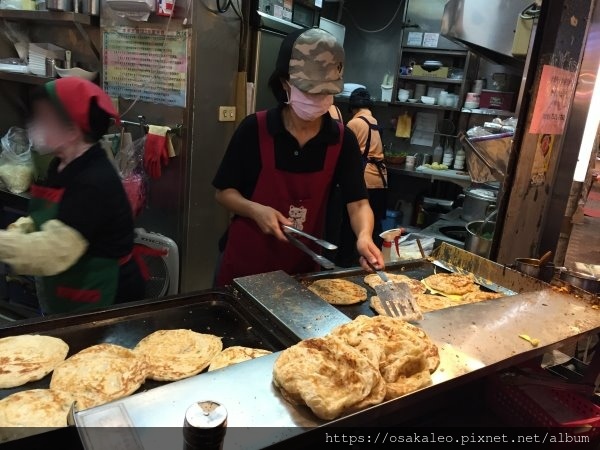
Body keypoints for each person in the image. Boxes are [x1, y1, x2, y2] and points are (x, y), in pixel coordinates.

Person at [213, 28, 384, 286]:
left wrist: (364, 236)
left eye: (325, 92)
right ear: (285, 84)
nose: (317, 99)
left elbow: (358, 203)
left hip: (301, 272)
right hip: (243, 269)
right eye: (309, 90)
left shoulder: (341, 140)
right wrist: (256, 210)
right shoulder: (255, 129)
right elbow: (224, 192)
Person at [0, 78, 145, 314]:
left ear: (71, 130)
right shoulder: (61, 163)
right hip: (69, 288)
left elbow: (53, 251)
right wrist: (21, 228)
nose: (35, 125)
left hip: (104, 298)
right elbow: (50, 216)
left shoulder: (94, 181)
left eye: (44, 119)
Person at [336, 88, 387, 267]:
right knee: (373, 229)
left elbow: (342, 153)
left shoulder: (355, 123)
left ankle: (347, 264)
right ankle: (373, 260)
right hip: (380, 180)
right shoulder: (374, 121)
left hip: (363, 180)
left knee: (352, 229)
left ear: (352, 108)